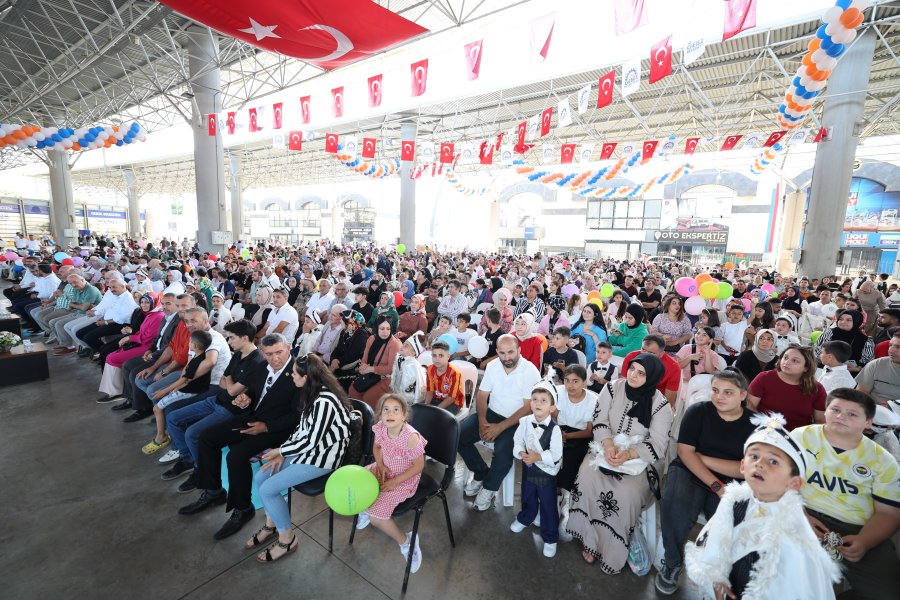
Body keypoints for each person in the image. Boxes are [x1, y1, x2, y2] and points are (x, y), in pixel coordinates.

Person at [684, 413, 842, 599]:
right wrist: (717, 578)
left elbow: (794, 587)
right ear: (742, 466)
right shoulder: (733, 501)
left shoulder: (794, 531)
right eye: (754, 456)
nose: (759, 464)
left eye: (773, 461)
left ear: (794, 483)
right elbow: (715, 542)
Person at [179, 334, 299, 541]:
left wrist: (266, 427)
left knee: (236, 456)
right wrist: (246, 398)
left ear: (288, 348)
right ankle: (214, 491)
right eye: (269, 354)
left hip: (277, 430)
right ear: (262, 353)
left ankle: (243, 508)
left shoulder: (299, 373)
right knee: (206, 437)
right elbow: (254, 391)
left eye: (279, 352)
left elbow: (298, 415)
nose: (274, 358)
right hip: (252, 418)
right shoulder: (262, 367)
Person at [566, 353, 674, 572]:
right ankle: (591, 539)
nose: (633, 375)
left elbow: (658, 444)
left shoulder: (660, 405)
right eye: (632, 369)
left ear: (652, 378)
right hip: (605, 447)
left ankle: (614, 546)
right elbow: (600, 420)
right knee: (587, 476)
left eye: (641, 373)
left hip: (642, 458)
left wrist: (628, 454)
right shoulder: (612, 388)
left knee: (626, 492)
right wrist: (608, 445)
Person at [655, 370, 756, 596]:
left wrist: (704, 458)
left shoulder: (754, 425)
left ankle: (721, 573)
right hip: (689, 470)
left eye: (728, 392)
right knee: (676, 504)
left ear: (742, 395)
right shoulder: (698, 412)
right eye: (716, 390)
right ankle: (672, 562)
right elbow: (685, 454)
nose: (719, 397)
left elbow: (746, 469)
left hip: (730, 479)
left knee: (729, 517)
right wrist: (716, 485)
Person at [792, 388, 900, 599]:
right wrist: (798, 515)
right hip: (800, 512)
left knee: (890, 594)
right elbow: (776, 483)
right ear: (825, 411)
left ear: (868, 422)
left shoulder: (882, 460)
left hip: (856, 529)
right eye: (836, 410)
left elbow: (889, 513)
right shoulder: (800, 437)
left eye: (852, 414)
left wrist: (865, 541)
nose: (841, 417)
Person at [247, 353, 352, 562]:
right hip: (307, 451)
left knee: (268, 489)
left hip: (323, 457)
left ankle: (287, 540)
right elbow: (301, 430)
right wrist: (283, 451)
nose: (291, 375)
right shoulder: (312, 393)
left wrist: (281, 452)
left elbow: (311, 441)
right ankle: (272, 525)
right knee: (260, 477)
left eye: (294, 373)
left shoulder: (324, 401)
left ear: (307, 377)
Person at [161, 319, 266, 488]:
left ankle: (199, 470)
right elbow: (225, 383)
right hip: (217, 399)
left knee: (192, 434)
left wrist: (229, 383)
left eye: (231, 337)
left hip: (230, 409)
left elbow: (231, 390)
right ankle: (188, 459)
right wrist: (231, 384)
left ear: (245, 338)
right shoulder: (238, 354)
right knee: (172, 417)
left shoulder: (257, 361)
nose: (229, 341)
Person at [460, 335, 541, 510]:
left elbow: (528, 408)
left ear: (519, 350)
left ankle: (489, 488)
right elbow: (482, 395)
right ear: (497, 352)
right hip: (492, 414)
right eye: (502, 353)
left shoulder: (530, 371)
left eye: (511, 352)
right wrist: (482, 421)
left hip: (517, 422)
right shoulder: (493, 366)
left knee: (504, 452)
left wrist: (500, 427)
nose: (507, 357)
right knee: (458, 435)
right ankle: (481, 473)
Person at [355, 394, 427, 572]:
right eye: (386, 409)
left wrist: (394, 481)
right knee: (357, 481)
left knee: (377, 519)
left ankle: (407, 542)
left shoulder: (410, 437)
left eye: (396, 410)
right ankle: (366, 507)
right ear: (380, 414)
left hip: (403, 478)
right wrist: (380, 465)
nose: (390, 413)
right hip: (384, 468)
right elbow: (377, 447)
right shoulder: (381, 427)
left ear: (404, 415)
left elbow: (419, 466)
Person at [510, 380, 563, 558]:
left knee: (548, 504)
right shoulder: (525, 422)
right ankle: (526, 517)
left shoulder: (555, 430)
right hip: (529, 471)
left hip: (547, 474)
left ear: (552, 408)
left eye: (543, 400)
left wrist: (538, 457)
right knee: (527, 496)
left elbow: (556, 454)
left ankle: (550, 537)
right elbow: (518, 440)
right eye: (535, 399)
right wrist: (521, 452)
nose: (538, 403)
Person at [143, 329, 214, 455]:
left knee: (157, 408)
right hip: (190, 388)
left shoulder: (196, 362)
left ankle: (161, 437)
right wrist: (175, 388)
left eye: (190, 341)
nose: (188, 343)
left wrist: (164, 391)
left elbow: (184, 380)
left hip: (190, 391)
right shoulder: (200, 357)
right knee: (160, 407)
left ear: (195, 346)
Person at [553, 365, 597, 542]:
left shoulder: (592, 400)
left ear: (585, 382)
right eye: (567, 380)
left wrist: (567, 436)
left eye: (575, 381)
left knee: (572, 459)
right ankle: (553, 496)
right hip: (559, 431)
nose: (570, 385)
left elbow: (589, 431)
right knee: (551, 456)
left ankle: (568, 497)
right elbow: (553, 416)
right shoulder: (558, 392)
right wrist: (557, 434)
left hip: (579, 436)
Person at [747, 345, 826, 431]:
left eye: (795, 361)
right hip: (762, 431)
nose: (787, 362)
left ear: (806, 368)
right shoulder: (764, 378)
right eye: (785, 357)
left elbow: (820, 421)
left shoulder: (817, 389)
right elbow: (749, 407)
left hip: (799, 436)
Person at [349, 315, 401, 409]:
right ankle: (360, 414)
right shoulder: (371, 339)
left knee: (368, 397)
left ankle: (371, 416)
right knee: (353, 390)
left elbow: (391, 369)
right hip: (370, 375)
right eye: (382, 328)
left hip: (386, 378)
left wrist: (371, 369)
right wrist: (363, 367)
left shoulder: (394, 343)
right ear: (377, 328)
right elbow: (364, 359)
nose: (385, 332)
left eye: (388, 329)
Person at [619, 335, 681, 407]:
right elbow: (623, 385)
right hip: (630, 397)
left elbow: (669, 402)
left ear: (661, 354)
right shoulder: (631, 357)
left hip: (655, 402)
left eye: (651, 353)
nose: (645, 355)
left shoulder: (673, 367)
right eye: (643, 350)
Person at [814, 309, 874, 374]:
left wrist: (857, 369)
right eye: (841, 319)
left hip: (850, 374)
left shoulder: (865, 340)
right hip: (825, 370)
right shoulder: (829, 333)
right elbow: (817, 351)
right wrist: (833, 363)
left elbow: (868, 362)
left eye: (848, 320)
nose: (843, 322)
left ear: (856, 321)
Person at [855, 332, 900, 404]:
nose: (891, 350)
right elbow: (859, 396)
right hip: (874, 409)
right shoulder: (876, 365)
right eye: (890, 345)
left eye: (898, 347)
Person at [330, 309, 370, 389]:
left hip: (351, 370)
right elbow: (337, 348)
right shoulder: (346, 331)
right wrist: (334, 359)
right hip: (340, 365)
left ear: (350, 321)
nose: (340, 321)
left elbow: (353, 355)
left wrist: (338, 363)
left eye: (342, 319)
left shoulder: (362, 334)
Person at [422, 340, 465, 414]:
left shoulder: (454, 373)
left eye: (441, 355)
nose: (437, 359)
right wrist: (426, 405)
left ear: (448, 356)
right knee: (420, 410)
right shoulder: (430, 369)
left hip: (454, 403)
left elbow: (451, 398)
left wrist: (436, 410)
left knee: (438, 416)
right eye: (434, 355)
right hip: (436, 398)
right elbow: (430, 390)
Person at [390, 333, 426, 405]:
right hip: (397, 393)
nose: (402, 346)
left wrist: (400, 399)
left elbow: (407, 387)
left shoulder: (412, 366)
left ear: (413, 353)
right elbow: (395, 375)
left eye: (406, 346)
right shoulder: (399, 358)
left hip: (407, 399)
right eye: (403, 344)